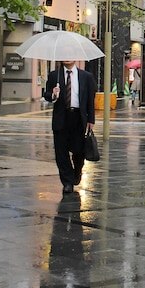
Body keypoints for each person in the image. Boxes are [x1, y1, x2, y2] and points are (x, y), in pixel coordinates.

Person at [42, 60, 96, 194]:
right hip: (61, 117)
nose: (67, 57)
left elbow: (90, 99)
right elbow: (46, 94)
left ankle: (77, 172)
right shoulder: (55, 75)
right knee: (61, 152)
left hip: (78, 117)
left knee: (79, 151)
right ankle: (67, 182)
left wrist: (91, 119)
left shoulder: (86, 76)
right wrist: (53, 94)